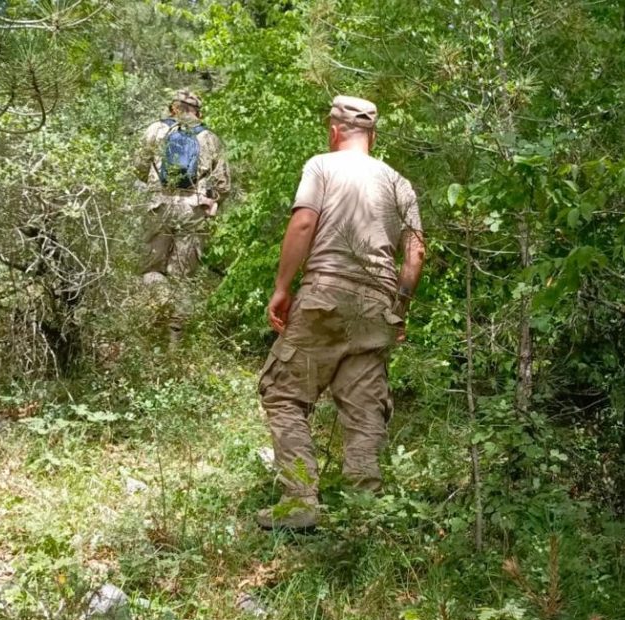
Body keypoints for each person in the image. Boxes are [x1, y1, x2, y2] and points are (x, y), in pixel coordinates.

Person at [256, 95, 425, 530]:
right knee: (364, 407)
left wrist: (281, 288)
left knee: (282, 393)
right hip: (377, 307)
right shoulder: (398, 183)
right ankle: (363, 509)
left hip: (325, 297)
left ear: (334, 130)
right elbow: (415, 251)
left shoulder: (323, 165)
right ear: (372, 134)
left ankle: (300, 501)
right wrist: (399, 307)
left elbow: (303, 223)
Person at [133, 89, 230, 343]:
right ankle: (174, 340)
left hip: (158, 207)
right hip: (192, 211)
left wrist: (159, 186)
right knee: (183, 277)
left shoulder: (155, 131)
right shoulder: (210, 138)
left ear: (172, 108)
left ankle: (152, 324)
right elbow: (222, 185)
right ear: (198, 112)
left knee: (151, 270)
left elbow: (139, 167)